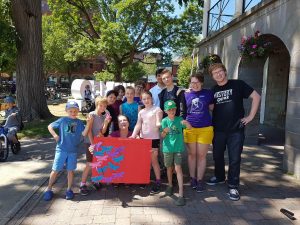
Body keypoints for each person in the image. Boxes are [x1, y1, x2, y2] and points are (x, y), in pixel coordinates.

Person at [207, 63, 261, 201]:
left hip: (236, 130)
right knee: (217, 155)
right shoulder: (212, 90)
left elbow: (256, 97)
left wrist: (251, 117)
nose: (218, 74)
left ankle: (233, 185)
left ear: (225, 72)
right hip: (218, 129)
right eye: (215, 73)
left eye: (220, 71)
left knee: (234, 158)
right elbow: (211, 107)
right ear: (212, 77)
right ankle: (219, 177)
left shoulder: (238, 84)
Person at [44, 101, 91, 201]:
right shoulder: (62, 120)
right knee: (55, 170)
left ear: (78, 111)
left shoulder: (79, 122)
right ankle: (48, 189)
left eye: (75, 111)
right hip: (61, 149)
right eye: (70, 111)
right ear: (66, 111)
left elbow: (84, 134)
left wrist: (88, 123)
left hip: (73, 151)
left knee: (70, 170)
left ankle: (69, 190)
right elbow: (50, 126)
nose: (73, 113)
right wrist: (55, 135)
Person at [184, 73, 214, 193]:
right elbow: (182, 110)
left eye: (197, 82)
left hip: (205, 129)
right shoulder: (185, 94)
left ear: (202, 82)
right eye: (192, 82)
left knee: (201, 156)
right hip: (190, 128)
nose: (195, 85)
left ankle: (200, 180)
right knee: (192, 155)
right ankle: (192, 178)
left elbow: (212, 108)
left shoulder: (208, 93)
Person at [130, 91, 163, 194]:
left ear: (152, 98)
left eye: (148, 98)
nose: (146, 100)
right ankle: (145, 179)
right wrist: (133, 135)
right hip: (143, 139)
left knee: (154, 160)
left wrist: (159, 124)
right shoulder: (141, 112)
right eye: (144, 99)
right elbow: (138, 124)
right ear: (141, 100)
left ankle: (158, 181)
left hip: (154, 139)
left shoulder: (157, 109)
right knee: (145, 160)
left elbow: (159, 121)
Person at [161, 100, 191, 206]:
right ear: (165, 111)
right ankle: (170, 185)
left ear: (176, 109)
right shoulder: (164, 121)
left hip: (178, 148)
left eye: (173, 109)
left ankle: (181, 194)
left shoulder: (180, 119)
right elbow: (162, 136)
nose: (172, 111)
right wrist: (165, 131)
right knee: (169, 168)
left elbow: (189, 128)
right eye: (169, 109)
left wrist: (187, 123)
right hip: (167, 149)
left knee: (178, 168)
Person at [79, 97, 111, 196]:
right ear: (97, 105)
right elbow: (89, 131)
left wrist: (106, 123)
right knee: (89, 163)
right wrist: (92, 144)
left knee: (97, 162)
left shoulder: (103, 116)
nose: (103, 107)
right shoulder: (91, 114)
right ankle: (82, 184)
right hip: (90, 143)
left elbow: (103, 132)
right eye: (101, 105)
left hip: (98, 143)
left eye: (105, 106)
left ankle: (95, 181)